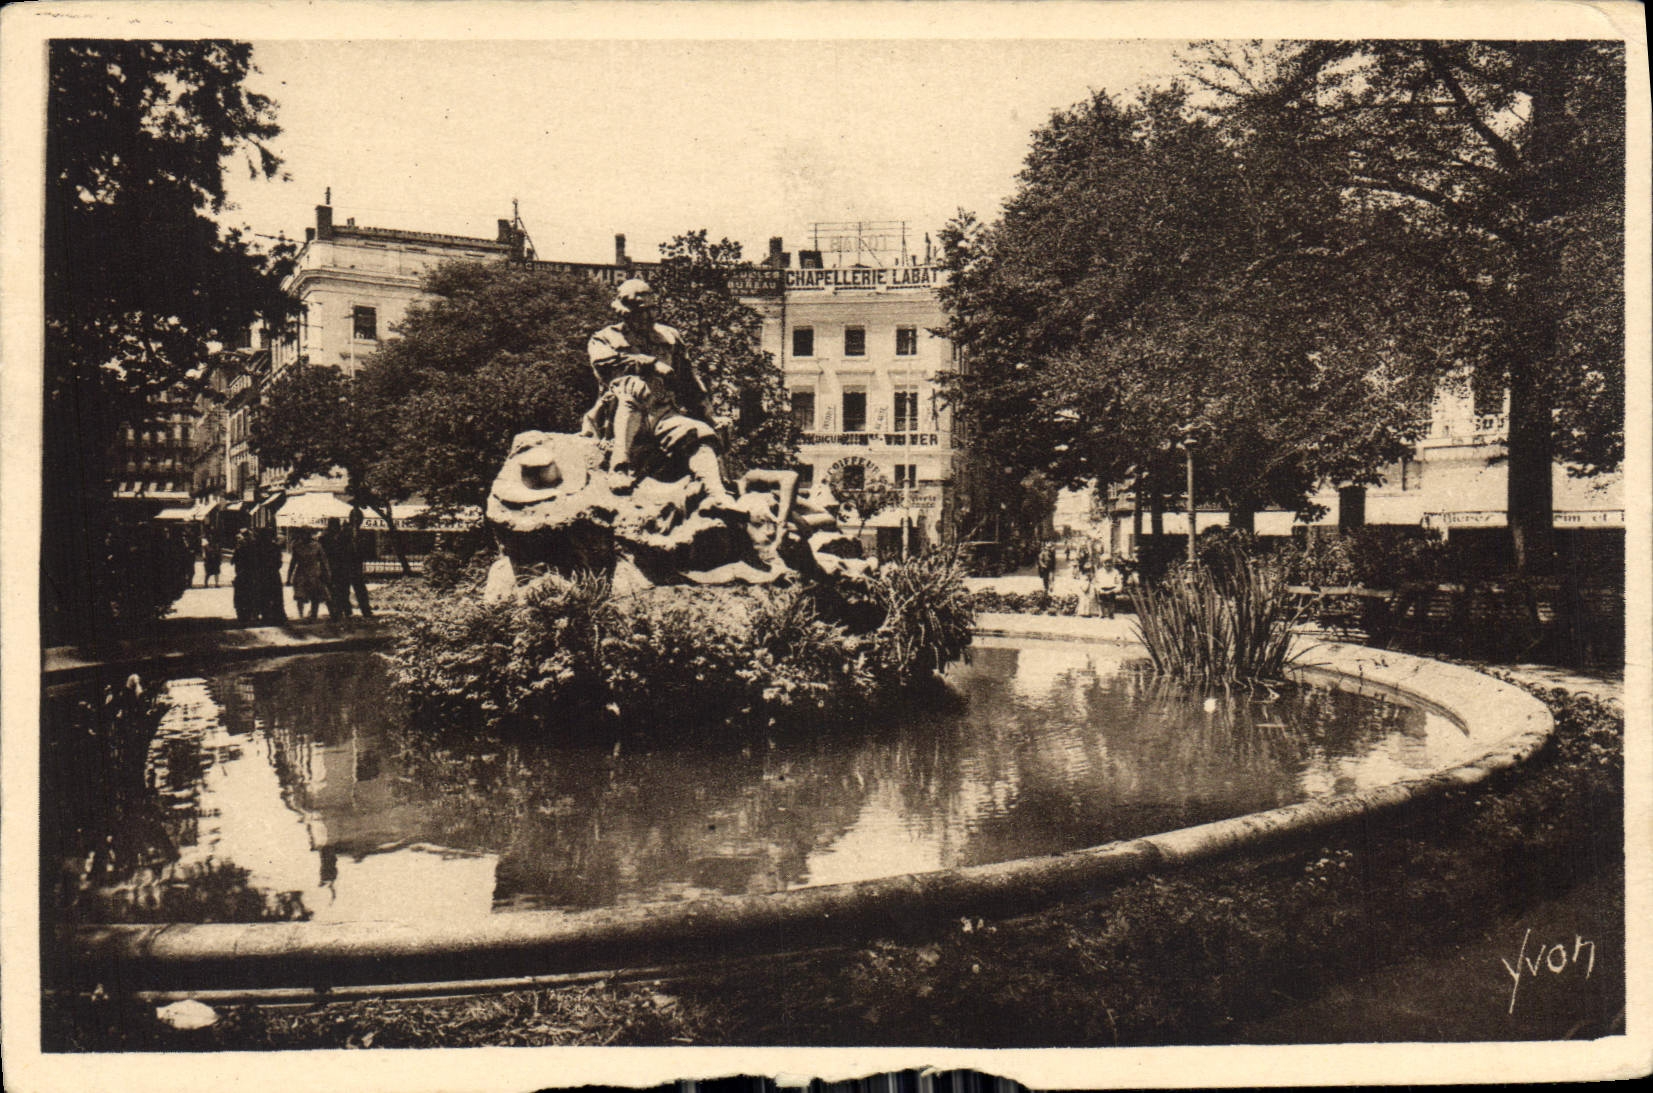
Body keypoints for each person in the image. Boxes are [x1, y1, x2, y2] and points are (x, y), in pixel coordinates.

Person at [580, 278, 739, 513]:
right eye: (643, 311)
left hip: (663, 413)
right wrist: (650, 364)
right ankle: (619, 467)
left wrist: (710, 417)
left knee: (701, 435)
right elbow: (605, 365)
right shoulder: (605, 338)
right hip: (619, 416)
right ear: (626, 312)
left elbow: (690, 382)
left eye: (653, 309)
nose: (651, 316)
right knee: (633, 387)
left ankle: (717, 494)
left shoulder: (669, 337)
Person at [286, 529, 333, 620]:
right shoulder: (297, 546)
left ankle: (314, 614)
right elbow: (293, 562)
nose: (304, 536)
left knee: (316, 594)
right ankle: (301, 615)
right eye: (302, 534)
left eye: (306, 534)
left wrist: (327, 573)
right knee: (300, 595)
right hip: (301, 573)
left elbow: (324, 561)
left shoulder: (317, 546)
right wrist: (289, 577)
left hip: (314, 572)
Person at [253, 526, 287, 625]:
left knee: (262, 595)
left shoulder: (256, 547)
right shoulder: (275, 547)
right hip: (273, 574)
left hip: (261, 574)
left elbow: (253, 561)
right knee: (276, 596)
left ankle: (265, 615)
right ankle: (278, 616)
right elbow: (279, 563)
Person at [231, 530, 257, 623]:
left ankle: (242, 614)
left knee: (240, 594)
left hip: (242, 574)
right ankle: (251, 613)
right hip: (250, 574)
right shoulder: (254, 546)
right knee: (251, 593)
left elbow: (232, 561)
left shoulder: (240, 548)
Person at [1095, 555, 1123, 620]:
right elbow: (1096, 583)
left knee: (1111, 600)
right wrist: (1099, 589)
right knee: (1101, 601)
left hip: (1111, 588)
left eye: (1109, 562)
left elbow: (1119, 583)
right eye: (1106, 563)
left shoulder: (1115, 571)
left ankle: (1111, 613)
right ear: (1103, 563)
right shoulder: (1099, 572)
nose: (1108, 564)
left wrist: (1115, 590)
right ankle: (1102, 613)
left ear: (1112, 563)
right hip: (1102, 588)